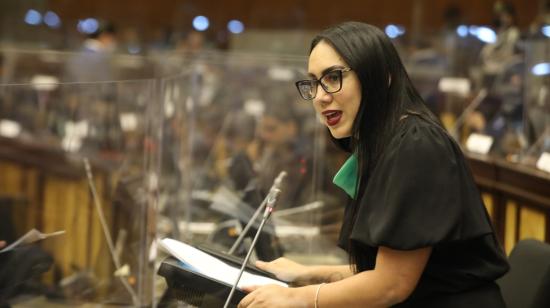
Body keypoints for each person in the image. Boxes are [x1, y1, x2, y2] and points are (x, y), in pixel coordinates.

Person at [238, 22, 509, 308]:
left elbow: (391, 285)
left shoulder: (417, 144)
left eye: (333, 77)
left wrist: (297, 298)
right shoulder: (386, 142)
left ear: (382, 77)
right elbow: (385, 269)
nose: (320, 96)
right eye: (314, 82)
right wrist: (308, 274)